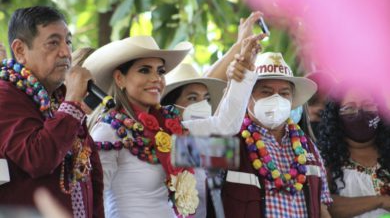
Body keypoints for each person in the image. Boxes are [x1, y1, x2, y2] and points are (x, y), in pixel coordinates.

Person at [83, 34, 262, 218]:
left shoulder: (171, 132)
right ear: (120, 78)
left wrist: (245, 72)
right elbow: (92, 200)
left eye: (160, 71)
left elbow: (226, 127)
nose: (156, 78)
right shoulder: (109, 131)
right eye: (145, 70)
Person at [0, 6, 104, 218]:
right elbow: (37, 158)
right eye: (53, 43)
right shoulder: (5, 95)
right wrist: (73, 102)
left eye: (68, 41)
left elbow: (91, 175)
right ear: (20, 50)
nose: (66, 52)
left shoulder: (59, 98)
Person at [220, 52, 333, 218]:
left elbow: (322, 208)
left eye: (284, 93)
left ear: (292, 99)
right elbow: (180, 153)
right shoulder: (230, 143)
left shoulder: (309, 149)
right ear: (247, 97)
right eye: (266, 92)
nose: (276, 98)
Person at [161, 63, 227, 218]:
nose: (202, 104)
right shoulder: (163, 143)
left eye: (207, 99)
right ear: (171, 105)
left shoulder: (214, 145)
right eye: (192, 98)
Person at [318, 86, 390, 217]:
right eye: (350, 108)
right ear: (336, 116)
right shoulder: (325, 158)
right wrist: (380, 201)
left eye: (368, 105)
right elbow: (323, 205)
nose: (360, 113)